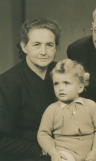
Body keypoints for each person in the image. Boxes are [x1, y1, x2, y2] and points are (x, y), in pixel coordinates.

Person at [0, 17, 61, 160]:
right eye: (37, 45)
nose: (43, 52)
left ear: (56, 47)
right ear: (23, 46)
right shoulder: (8, 82)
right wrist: (41, 150)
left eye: (49, 45)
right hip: (31, 154)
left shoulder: (63, 72)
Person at [37, 59, 96, 161]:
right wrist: (53, 152)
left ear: (80, 87)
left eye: (66, 83)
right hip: (65, 153)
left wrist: (95, 152)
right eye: (56, 84)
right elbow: (43, 134)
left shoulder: (91, 106)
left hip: (89, 154)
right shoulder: (52, 109)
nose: (60, 88)